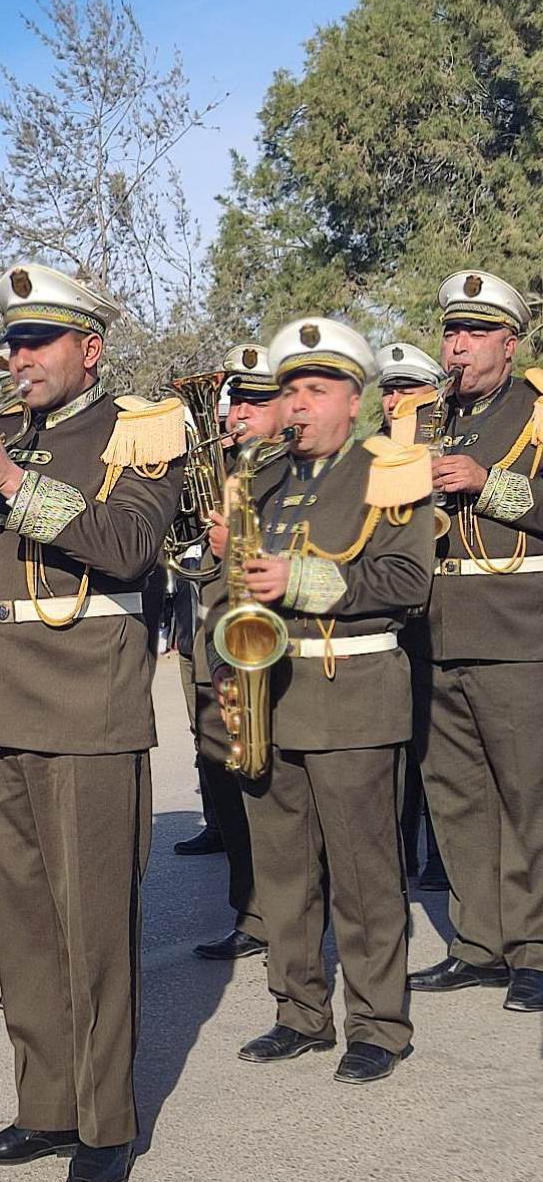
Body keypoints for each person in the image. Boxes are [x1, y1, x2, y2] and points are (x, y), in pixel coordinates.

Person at [0, 263, 185, 1182]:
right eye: (13, 342)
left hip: (88, 699)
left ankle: (107, 1120)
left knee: (94, 921)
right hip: (1, 695)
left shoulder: (138, 430)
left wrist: (12, 477)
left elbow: (133, 546)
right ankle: (43, 1105)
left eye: (39, 342)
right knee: (21, 921)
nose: (19, 358)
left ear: (88, 349)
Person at [215, 318, 431, 1082]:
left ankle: (379, 1024)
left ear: (353, 396)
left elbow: (408, 586)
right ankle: (298, 1012)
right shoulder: (264, 476)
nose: (298, 406)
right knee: (283, 874)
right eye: (291, 391)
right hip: (270, 691)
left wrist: (297, 582)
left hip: (353, 694)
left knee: (366, 873)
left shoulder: (390, 467)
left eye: (316, 390)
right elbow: (237, 590)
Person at [411, 270, 543, 1014]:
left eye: (473, 334)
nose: (456, 347)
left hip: (518, 626)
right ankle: (478, 944)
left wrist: (490, 483)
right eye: (451, 333)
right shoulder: (426, 415)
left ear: (509, 341)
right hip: (434, 625)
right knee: (456, 797)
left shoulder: (535, 409)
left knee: (529, 794)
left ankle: (536, 949)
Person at [186, 345, 288, 961]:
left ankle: (289, 914)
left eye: (254, 401)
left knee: (272, 792)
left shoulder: (296, 469)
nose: (237, 413)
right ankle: (251, 914)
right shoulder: (219, 464)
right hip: (215, 642)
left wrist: (238, 544)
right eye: (234, 401)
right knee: (228, 780)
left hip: (268, 646)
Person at [376, 340, 450, 891]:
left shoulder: (445, 441)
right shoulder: (372, 454)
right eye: (388, 390)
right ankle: (399, 851)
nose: (395, 400)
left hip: (446, 613)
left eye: (408, 390)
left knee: (439, 744)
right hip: (393, 617)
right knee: (400, 743)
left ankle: (442, 856)